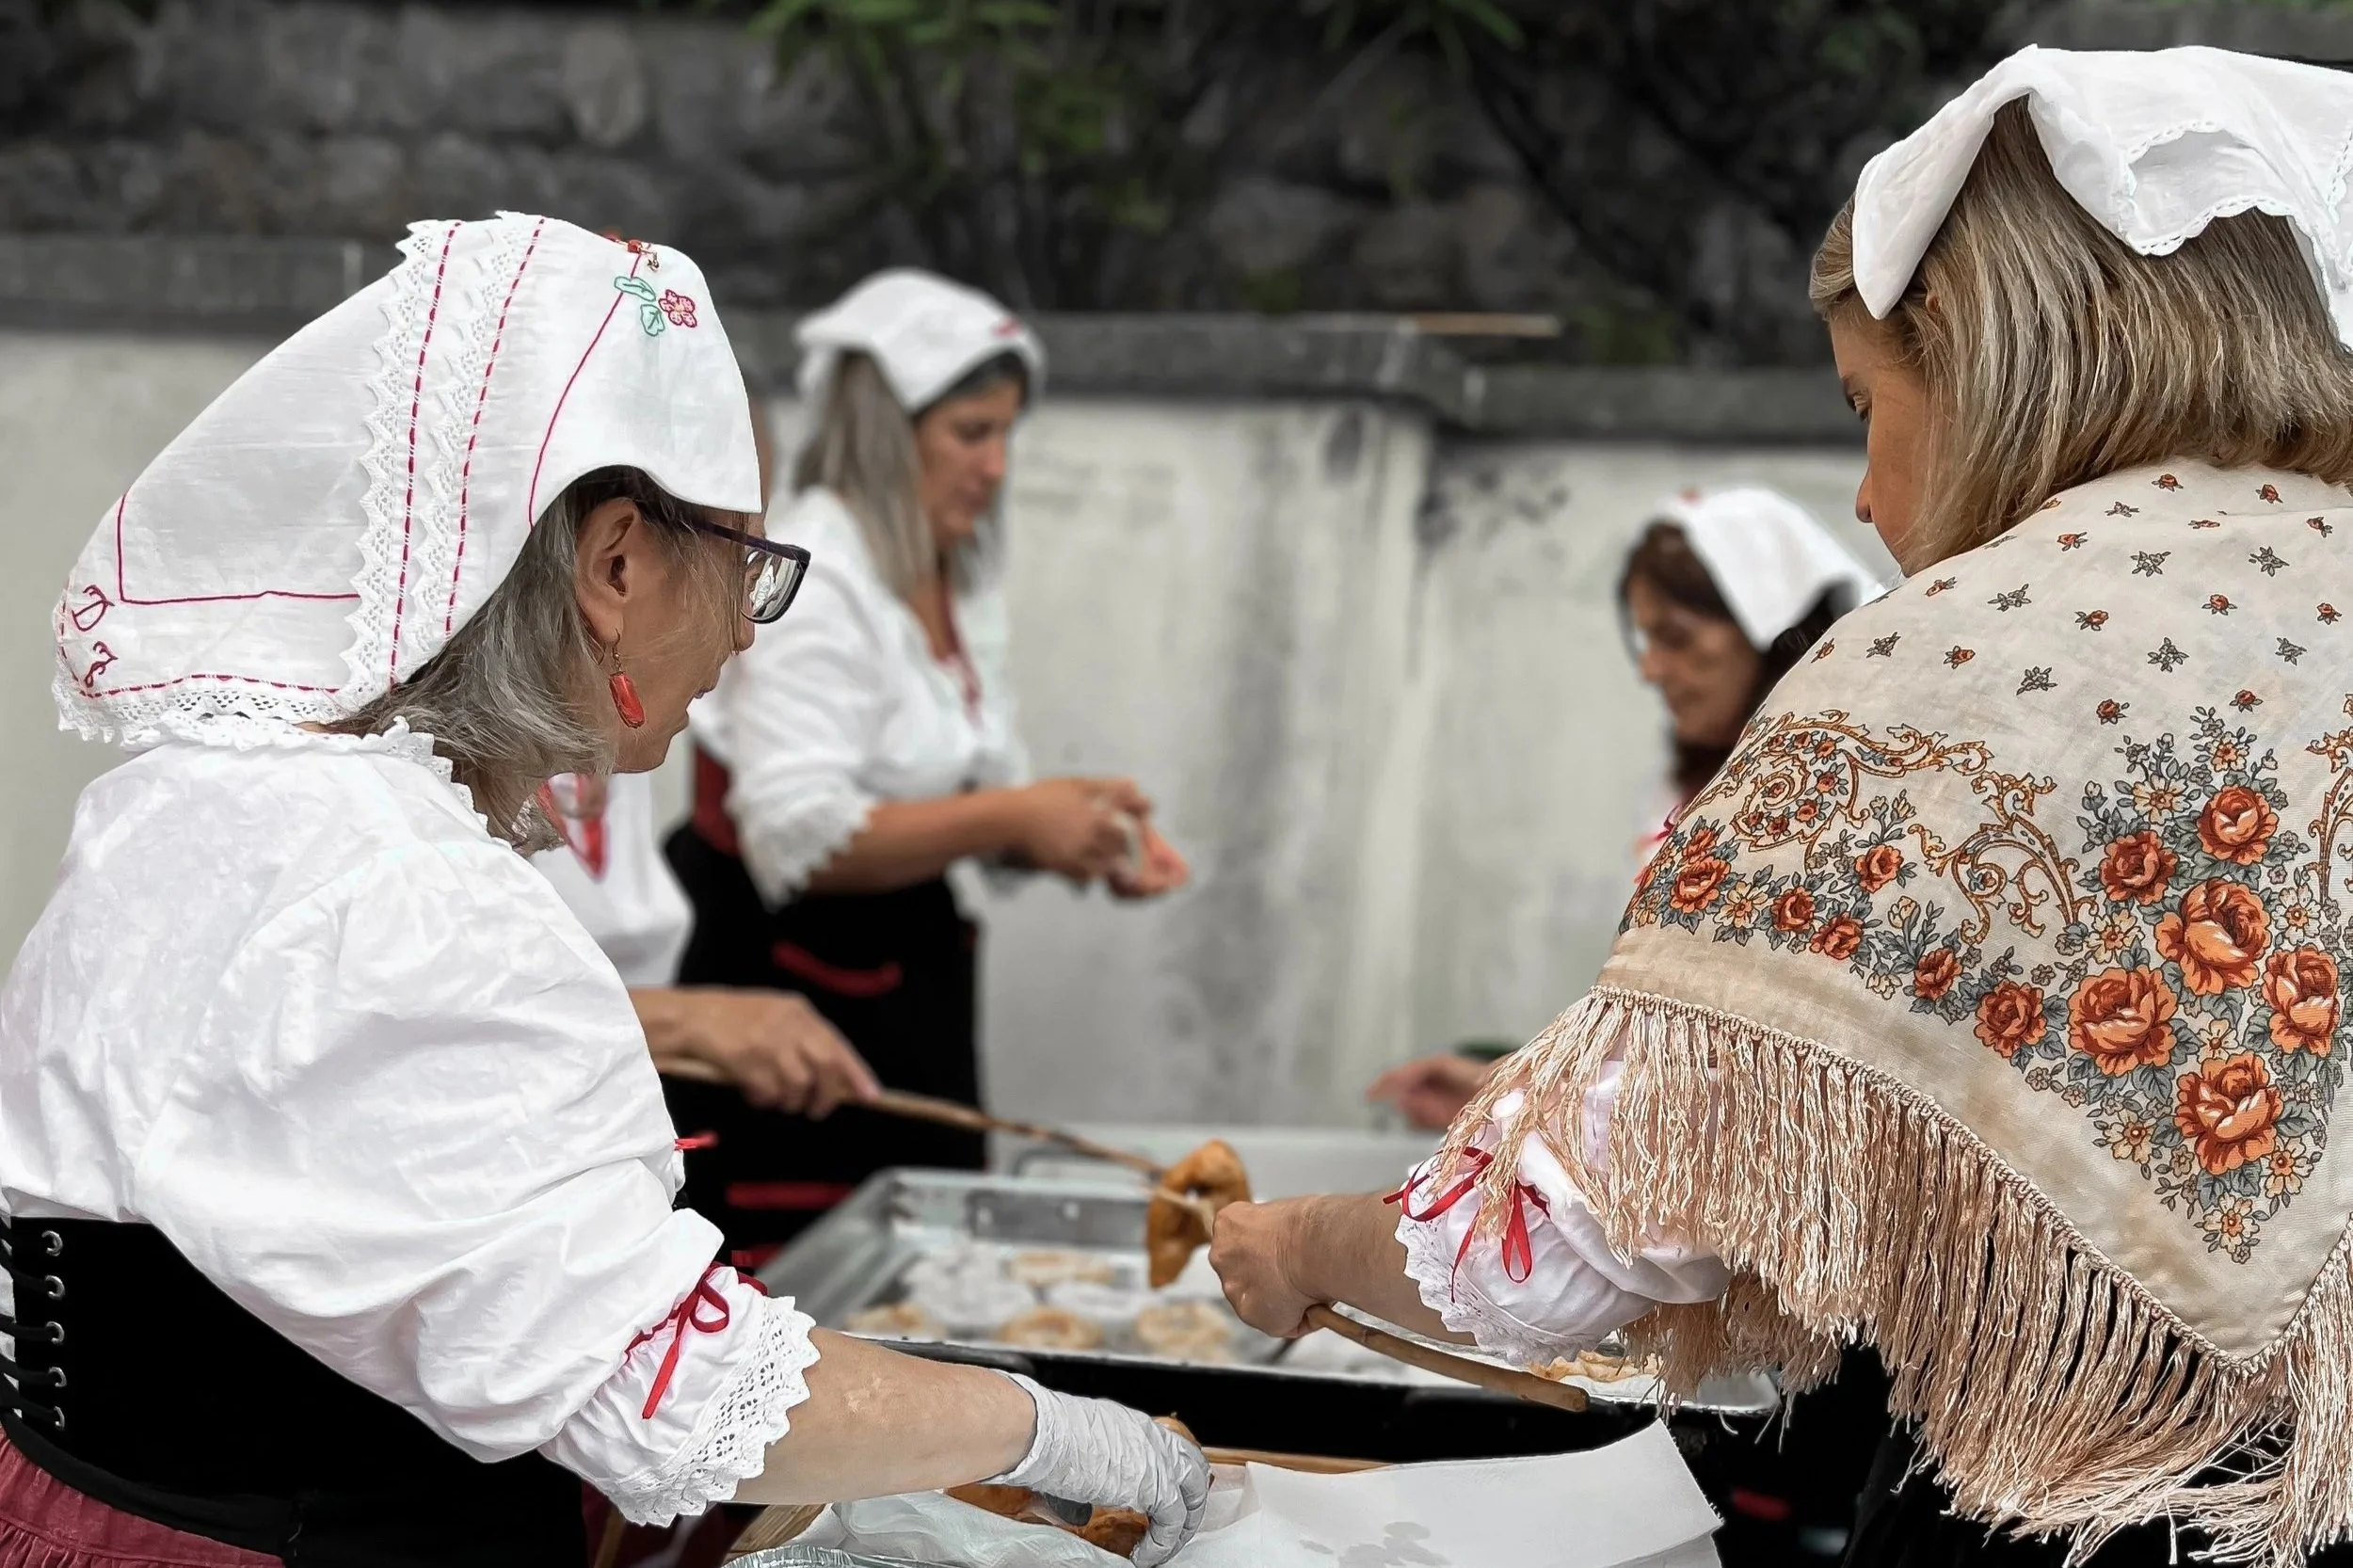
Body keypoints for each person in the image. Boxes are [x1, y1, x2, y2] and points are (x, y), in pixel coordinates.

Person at [1216, 45, 2353, 1567]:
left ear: (1990, 354)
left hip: (2122, 1513)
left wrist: (1299, 1245)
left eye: (1864, 404)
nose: (1871, 496)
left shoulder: (1978, 662)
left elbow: (1561, 1243)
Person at [0, 216, 1206, 1568]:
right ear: (616, 561)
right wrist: (1045, 1428)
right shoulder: (391, 886)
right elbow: (667, 1396)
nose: (750, 629)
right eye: (744, 564)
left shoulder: (217, 797)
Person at [670, 268, 1187, 1255]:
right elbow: (796, 838)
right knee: (813, 1285)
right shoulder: (818, 575)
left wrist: (1074, 832)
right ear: (884, 429)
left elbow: (971, 782)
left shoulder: (948, 576)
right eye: (969, 433)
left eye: (1004, 435)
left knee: (920, 1262)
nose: (994, 465)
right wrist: (1011, 819)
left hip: (906, 990)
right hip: (792, 996)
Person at [1368, 489, 1878, 1133]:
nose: (1650, 667)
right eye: (1646, 637)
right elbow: (1664, 1046)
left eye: (1676, 637)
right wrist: (1503, 1088)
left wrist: (1524, 1103)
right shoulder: (1684, 799)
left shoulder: (1844, 813)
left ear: (1773, 637)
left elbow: (1755, 1080)